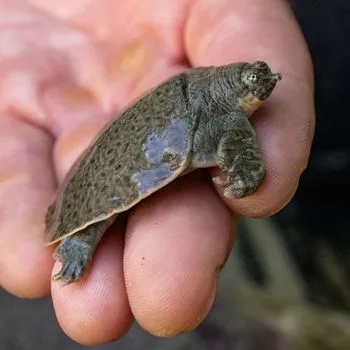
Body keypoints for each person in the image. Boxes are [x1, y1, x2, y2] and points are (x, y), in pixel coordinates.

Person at [0, 0, 314, 345]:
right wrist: (246, 172)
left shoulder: (212, 94)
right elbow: (242, 155)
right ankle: (78, 239)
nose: (266, 84)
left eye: (261, 77)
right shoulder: (227, 118)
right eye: (256, 81)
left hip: (170, 120)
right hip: (133, 149)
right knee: (107, 209)